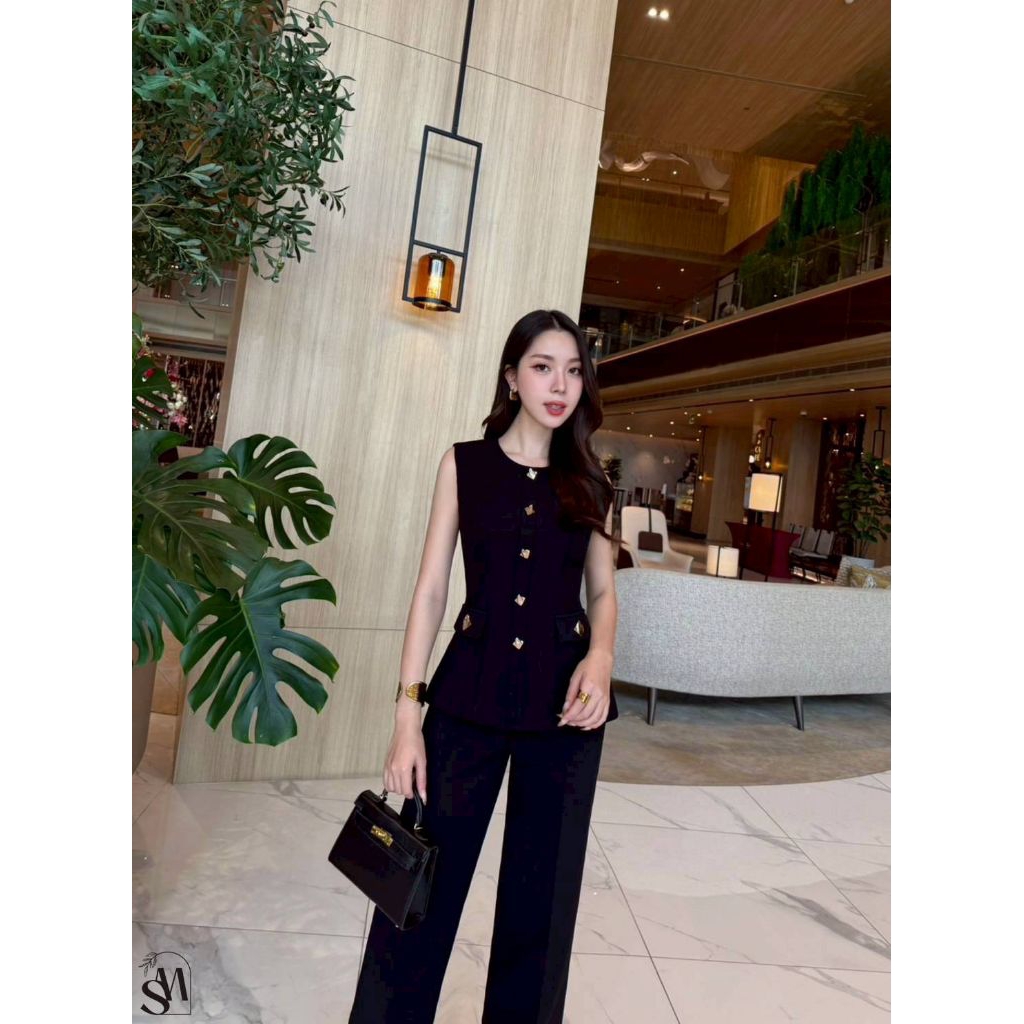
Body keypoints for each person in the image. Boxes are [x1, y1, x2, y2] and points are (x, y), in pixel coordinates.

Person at [348, 309, 620, 1023]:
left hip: (565, 712)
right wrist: (408, 717)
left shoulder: (592, 481)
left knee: (542, 902)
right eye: (542, 367)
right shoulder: (463, 464)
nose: (559, 385)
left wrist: (600, 655)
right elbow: (431, 590)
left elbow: (603, 590)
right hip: (466, 698)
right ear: (511, 377)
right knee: (419, 885)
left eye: (573, 371)